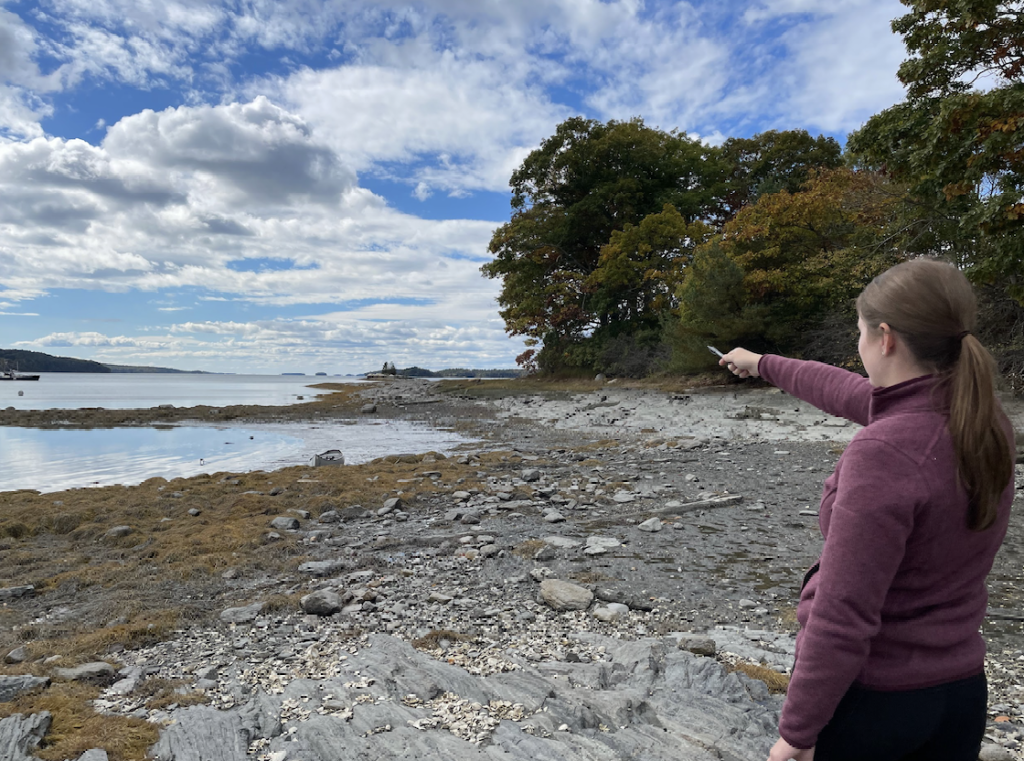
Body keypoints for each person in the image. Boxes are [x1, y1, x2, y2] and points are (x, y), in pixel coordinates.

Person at [719, 258, 1015, 761]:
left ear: (885, 337)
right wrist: (763, 363)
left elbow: (844, 612)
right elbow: (848, 391)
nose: (858, 349)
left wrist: (796, 734)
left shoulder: (886, 452)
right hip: (960, 694)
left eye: (859, 333)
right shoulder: (983, 422)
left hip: (878, 707)